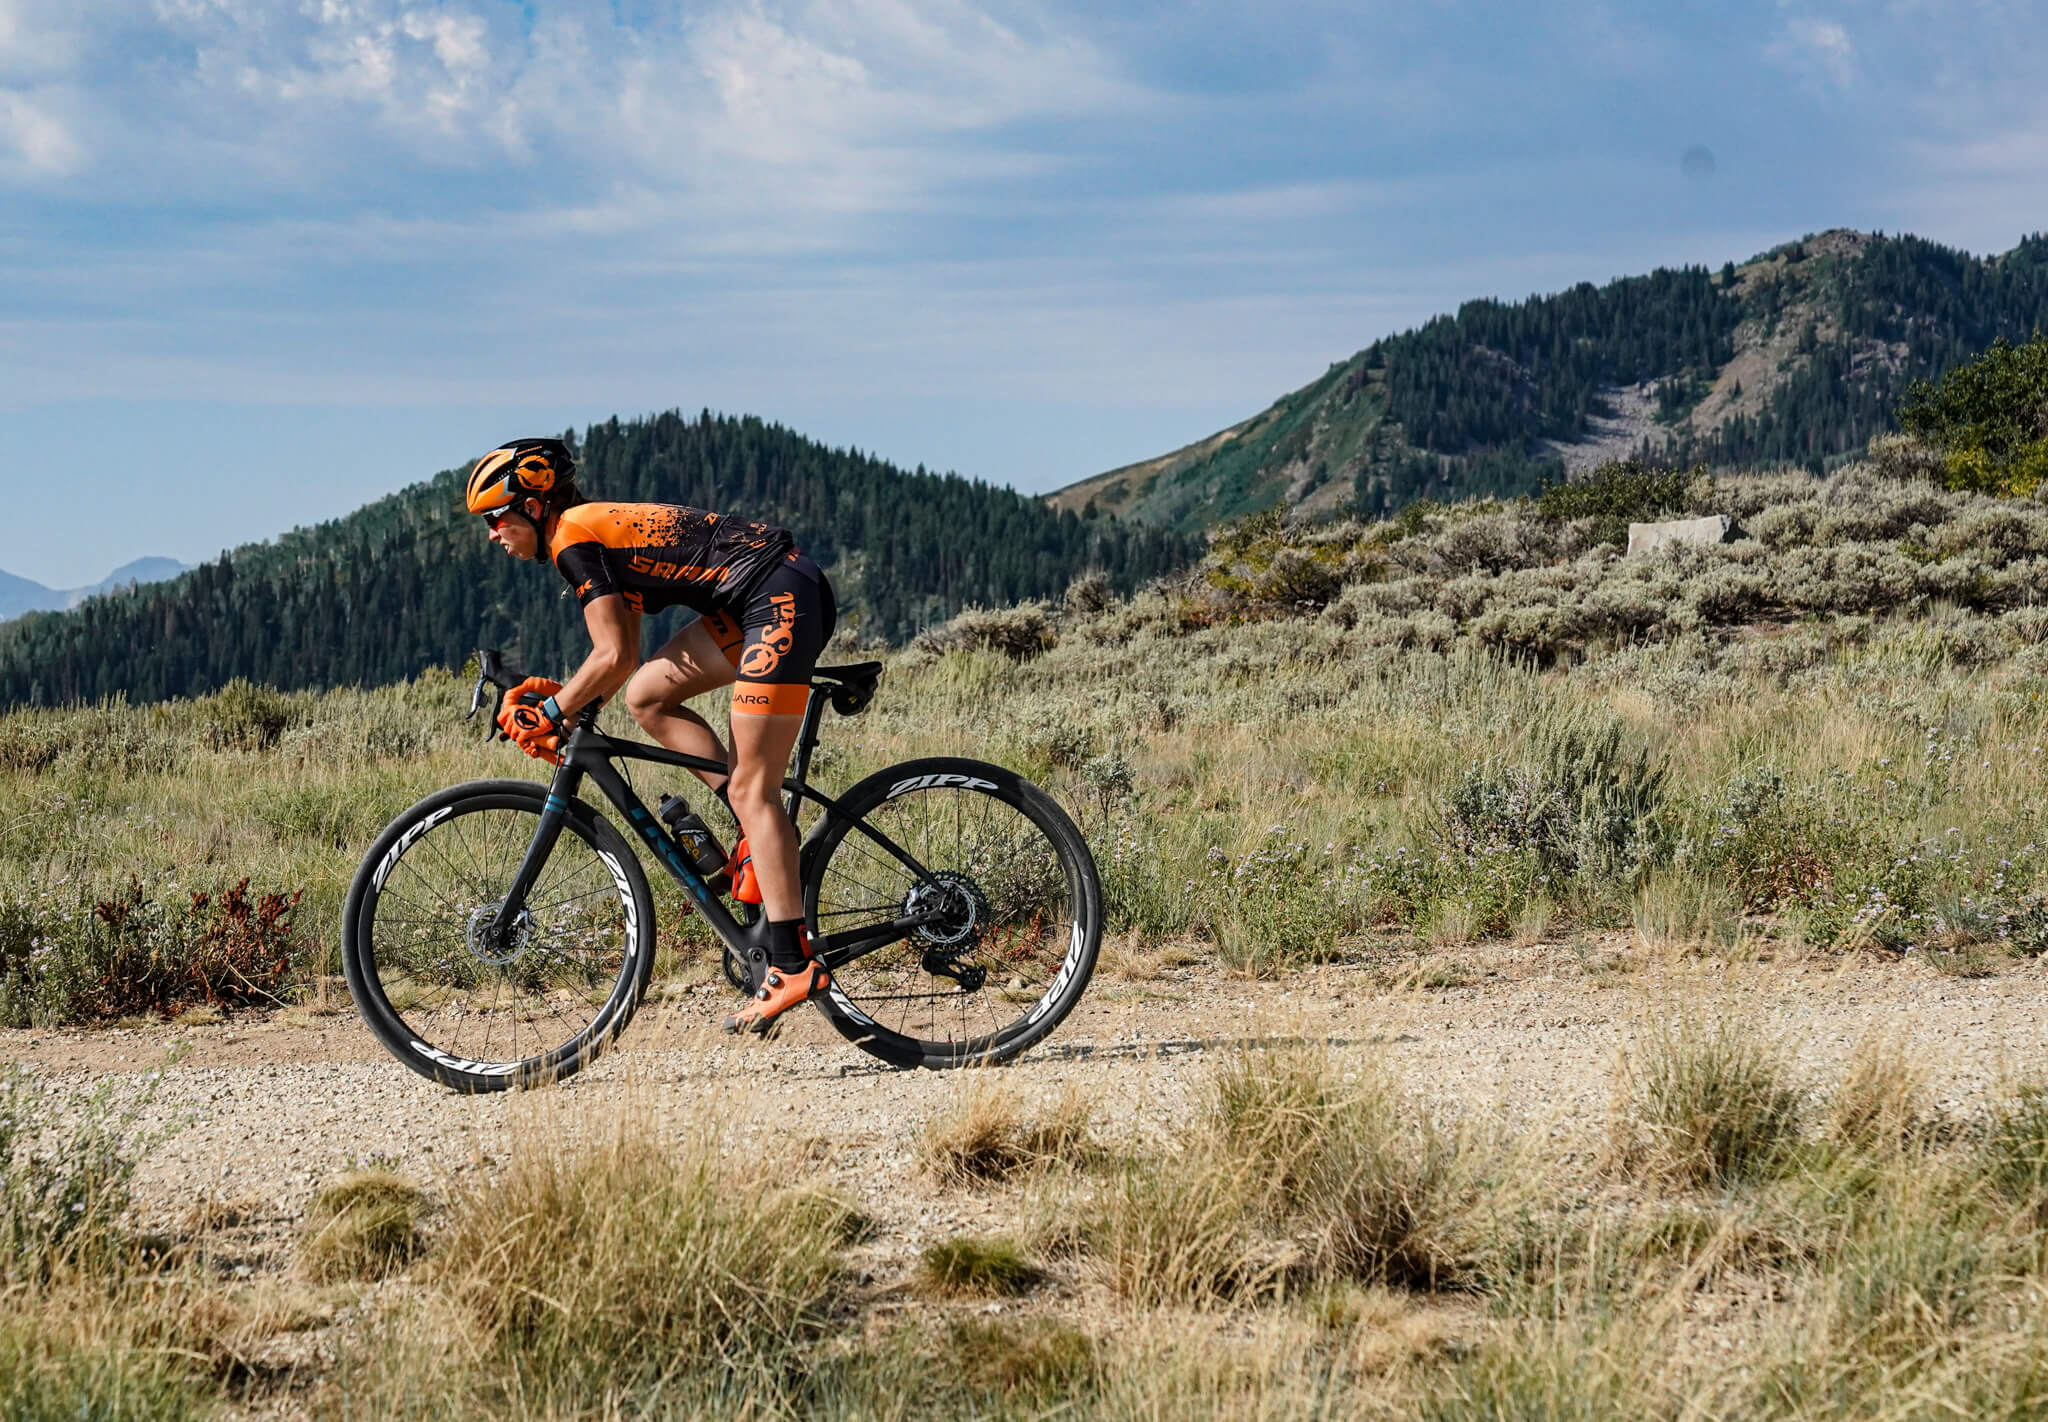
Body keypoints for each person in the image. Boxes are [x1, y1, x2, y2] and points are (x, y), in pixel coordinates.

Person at [464, 437, 836, 1033]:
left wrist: (554, 713)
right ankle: (751, 839)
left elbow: (610, 653)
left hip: (777, 597)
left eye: (496, 517)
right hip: (759, 597)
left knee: (754, 790)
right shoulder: (591, 530)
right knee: (648, 696)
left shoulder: (573, 538)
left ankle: (792, 964)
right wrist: (571, 707)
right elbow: (625, 661)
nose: (492, 533)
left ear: (534, 505)